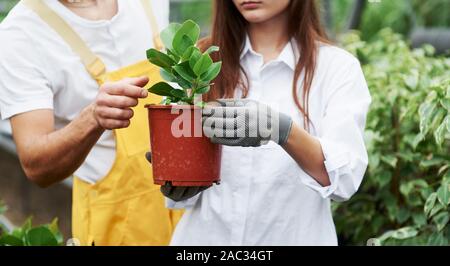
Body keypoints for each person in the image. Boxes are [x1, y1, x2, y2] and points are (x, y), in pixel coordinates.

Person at [161, 0, 372, 245]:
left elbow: (344, 180)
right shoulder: (197, 65)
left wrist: (283, 131)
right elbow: (179, 195)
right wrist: (178, 178)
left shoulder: (336, 68)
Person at [0, 0, 182, 246]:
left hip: (186, 206)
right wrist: (92, 118)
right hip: (116, 223)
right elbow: (36, 165)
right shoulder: (21, 34)